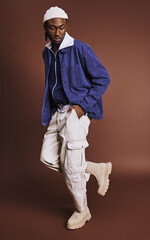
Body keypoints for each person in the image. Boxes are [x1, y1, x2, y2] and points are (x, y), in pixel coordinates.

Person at [40, 6, 112, 230]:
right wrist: (52, 110)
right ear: (46, 29)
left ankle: (83, 211)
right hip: (58, 112)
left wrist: (82, 107)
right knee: (47, 157)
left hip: (75, 114)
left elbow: (103, 78)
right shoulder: (47, 51)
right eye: (53, 28)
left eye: (62, 27)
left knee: (72, 167)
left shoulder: (80, 48)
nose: (58, 32)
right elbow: (52, 85)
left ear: (66, 27)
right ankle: (94, 168)